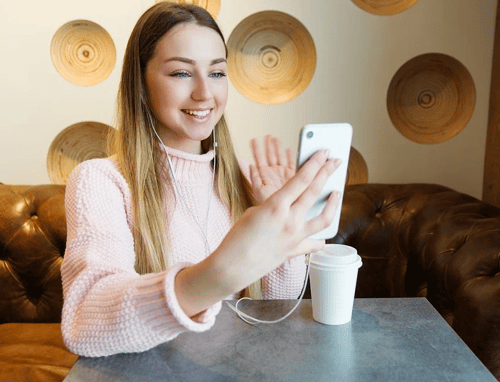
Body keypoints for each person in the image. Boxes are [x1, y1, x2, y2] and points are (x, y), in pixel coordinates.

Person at [61, 2, 341, 357]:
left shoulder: (245, 177)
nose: (205, 94)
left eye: (217, 73)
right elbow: (86, 324)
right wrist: (218, 274)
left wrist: (284, 233)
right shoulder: (100, 181)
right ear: (141, 83)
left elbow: (272, 313)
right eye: (181, 73)